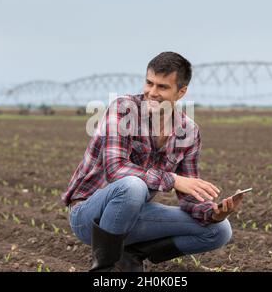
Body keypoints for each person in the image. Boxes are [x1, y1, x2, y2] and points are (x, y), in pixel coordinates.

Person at [62, 51, 246, 272]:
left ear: (181, 92)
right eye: (149, 83)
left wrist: (214, 213)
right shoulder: (123, 110)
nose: (152, 92)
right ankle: (105, 270)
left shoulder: (188, 131)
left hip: (134, 215)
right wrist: (173, 179)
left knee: (219, 230)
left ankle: (130, 256)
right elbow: (116, 169)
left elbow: (189, 198)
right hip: (89, 216)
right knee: (133, 185)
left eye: (162, 87)